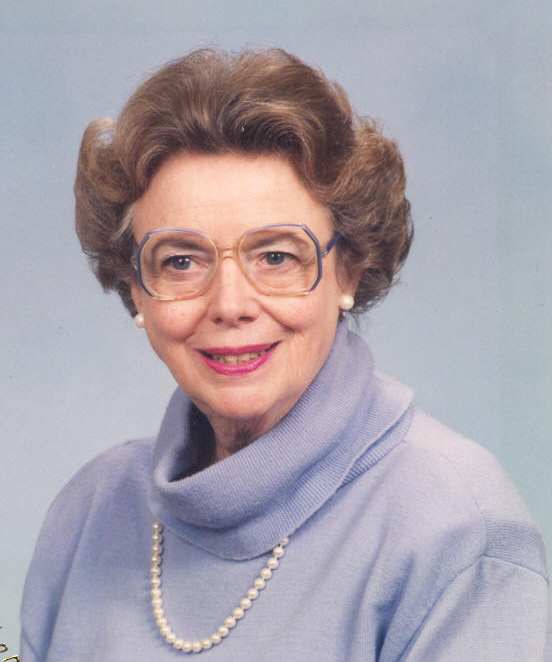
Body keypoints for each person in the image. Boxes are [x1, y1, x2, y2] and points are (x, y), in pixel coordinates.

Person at [21, 49, 550, 661]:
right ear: (136, 288)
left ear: (349, 270)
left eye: (276, 256)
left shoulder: (457, 529)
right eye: (181, 260)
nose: (230, 305)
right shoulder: (91, 511)